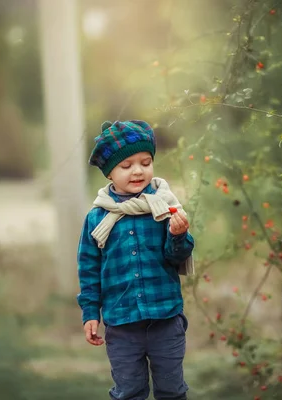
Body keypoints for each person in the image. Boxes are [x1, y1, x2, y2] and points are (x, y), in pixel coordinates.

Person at [77, 120, 195, 400]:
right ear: (110, 174)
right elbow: (89, 270)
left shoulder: (165, 207)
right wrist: (90, 313)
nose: (138, 170)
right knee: (129, 391)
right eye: (126, 165)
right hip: (121, 324)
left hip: (165, 319)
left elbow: (177, 256)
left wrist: (179, 235)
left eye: (145, 162)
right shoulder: (97, 218)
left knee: (172, 390)